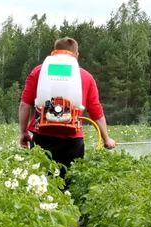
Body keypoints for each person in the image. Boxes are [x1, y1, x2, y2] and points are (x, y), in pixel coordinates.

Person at [19, 37, 116, 176]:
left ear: (54, 52)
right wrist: (106, 138)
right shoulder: (86, 76)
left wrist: (24, 132)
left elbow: (25, 104)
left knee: (41, 182)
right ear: (76, 55)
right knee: (70, 184)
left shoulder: (38, 72)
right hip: (73, 140)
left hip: (42, 138)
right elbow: (95, 110)